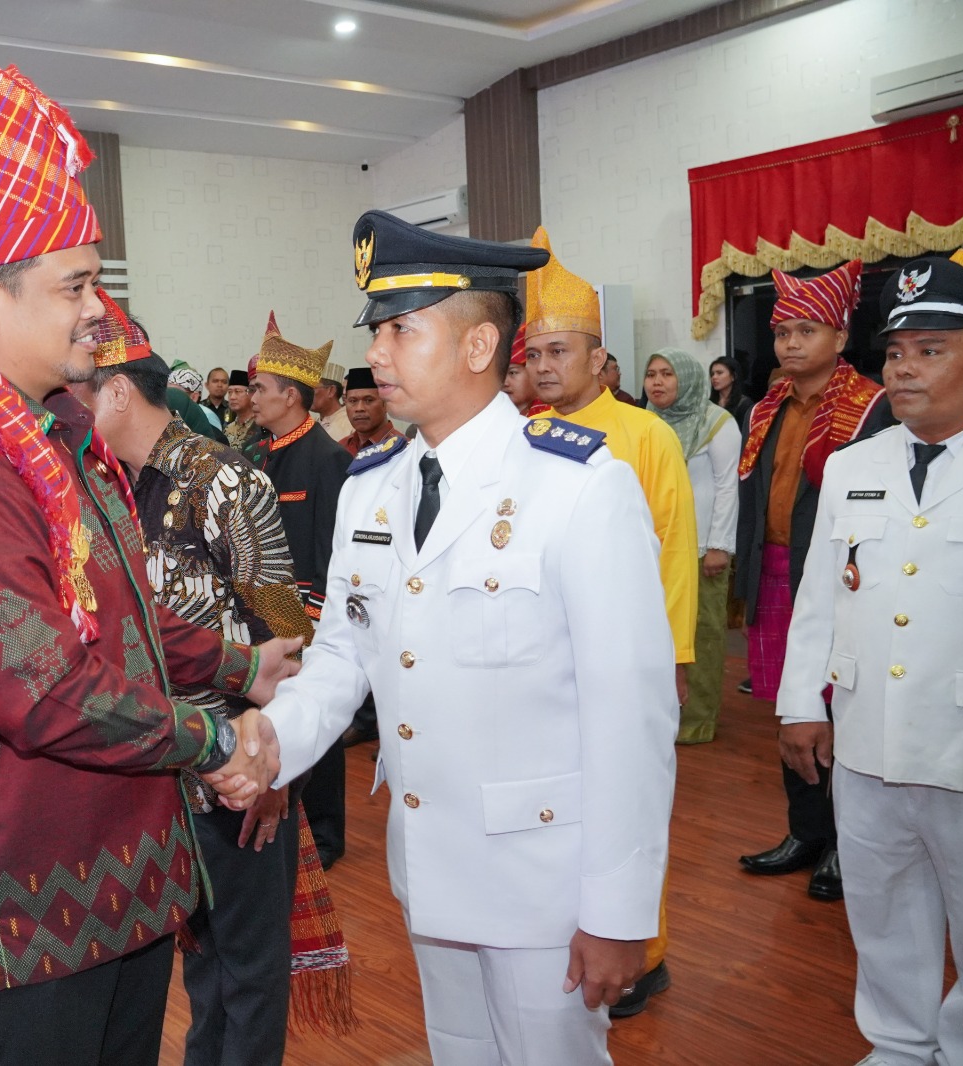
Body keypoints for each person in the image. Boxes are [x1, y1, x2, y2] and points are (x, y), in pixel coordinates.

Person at [0, 27, 295, 1066]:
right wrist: (213, 735)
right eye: (73, 285)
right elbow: (45, 689)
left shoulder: (50, 438)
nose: (98, 310)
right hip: (16, 924)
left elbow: (117, 626)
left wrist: (242, 664)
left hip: (114, 895)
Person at [263, 208, 676, 1066]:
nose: (374, 354)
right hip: (430, 868)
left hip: (544, 882)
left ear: (479, 346)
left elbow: (630, 715)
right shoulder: (371, 487)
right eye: (376, 331)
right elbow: (344, 652)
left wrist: (619, 908)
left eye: (399, 331)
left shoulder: (580, 487)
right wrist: (267, 742)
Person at [73, 290, 337, 1066]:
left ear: (117, 389)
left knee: (248, 967)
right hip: (159, 768)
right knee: (200, 962)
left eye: (77, 394)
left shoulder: (222, 478)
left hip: (239, 769)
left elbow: (284, 635)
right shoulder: (107, 489)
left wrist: (279, 763)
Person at [776, 249, 963, 1066]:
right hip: (866, 736)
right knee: (882, 903)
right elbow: (821, 593)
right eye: (897, 352)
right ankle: (900, 1044)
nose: (904, 370)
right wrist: (800, 702)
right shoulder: (856, 464)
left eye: (930, 351)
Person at [524, 225, 697, 1014]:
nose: (544, 368)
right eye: (534, 354)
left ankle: (646, 951)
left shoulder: (646, 436)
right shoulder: (519, 438)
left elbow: (675, 554)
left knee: (629, 802)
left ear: (600, 358)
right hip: (543, 663)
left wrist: (675, 658)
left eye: (561, 352)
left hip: (629, 660)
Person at [735, 260, 889, 903]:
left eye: (805, 330)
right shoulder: (767, 406)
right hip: (775, 572)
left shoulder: (873, 407)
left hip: (837, 582)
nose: (790, 344)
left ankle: (842, 845)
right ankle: (805, 830)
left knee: (841, 713)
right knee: (793, 707)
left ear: (839, 334)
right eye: (781, 333)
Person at [248, 310, 353, 869]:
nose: (252, 397)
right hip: (264, 614)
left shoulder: (329, 460)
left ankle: (328, 835)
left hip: (308, 616)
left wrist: (310, 623)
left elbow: (332, 552)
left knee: (321, 725)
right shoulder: (257, 454)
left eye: (261, 389)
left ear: (291, 395)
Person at [645, 348, 740, 744]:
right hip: (653, 550)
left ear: (686, 378)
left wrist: (719, 545)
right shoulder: (645, 422)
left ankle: (697, 719)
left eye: (668, 374)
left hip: (701, 550)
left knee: (700, 635)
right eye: (651, 374)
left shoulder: (717, 423)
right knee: (654, 635)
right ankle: (656, 715)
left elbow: (726, 486)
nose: (657, 382)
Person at [339, 365, 404, 457]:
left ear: (385, 404)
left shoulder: (403, 449)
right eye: (353, 401)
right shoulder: (342, 447)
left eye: (368, 400)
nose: (359, 408)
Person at [710, 355, 753, 432]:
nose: (714, 377)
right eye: (712, 374)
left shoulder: (744, 404)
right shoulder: (709, 404)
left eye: (719, 373)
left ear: (733, 376)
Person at [222, 369, 259, 455]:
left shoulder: (259, 426)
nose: (232, 397)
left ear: (250, 393)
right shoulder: (227, 429)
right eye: (230, 392)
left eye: (237, 391)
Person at [312, 363, 352, 441]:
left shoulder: (350, 423)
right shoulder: (313, 423)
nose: (308, 393)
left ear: (331, 391)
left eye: (313, 388)